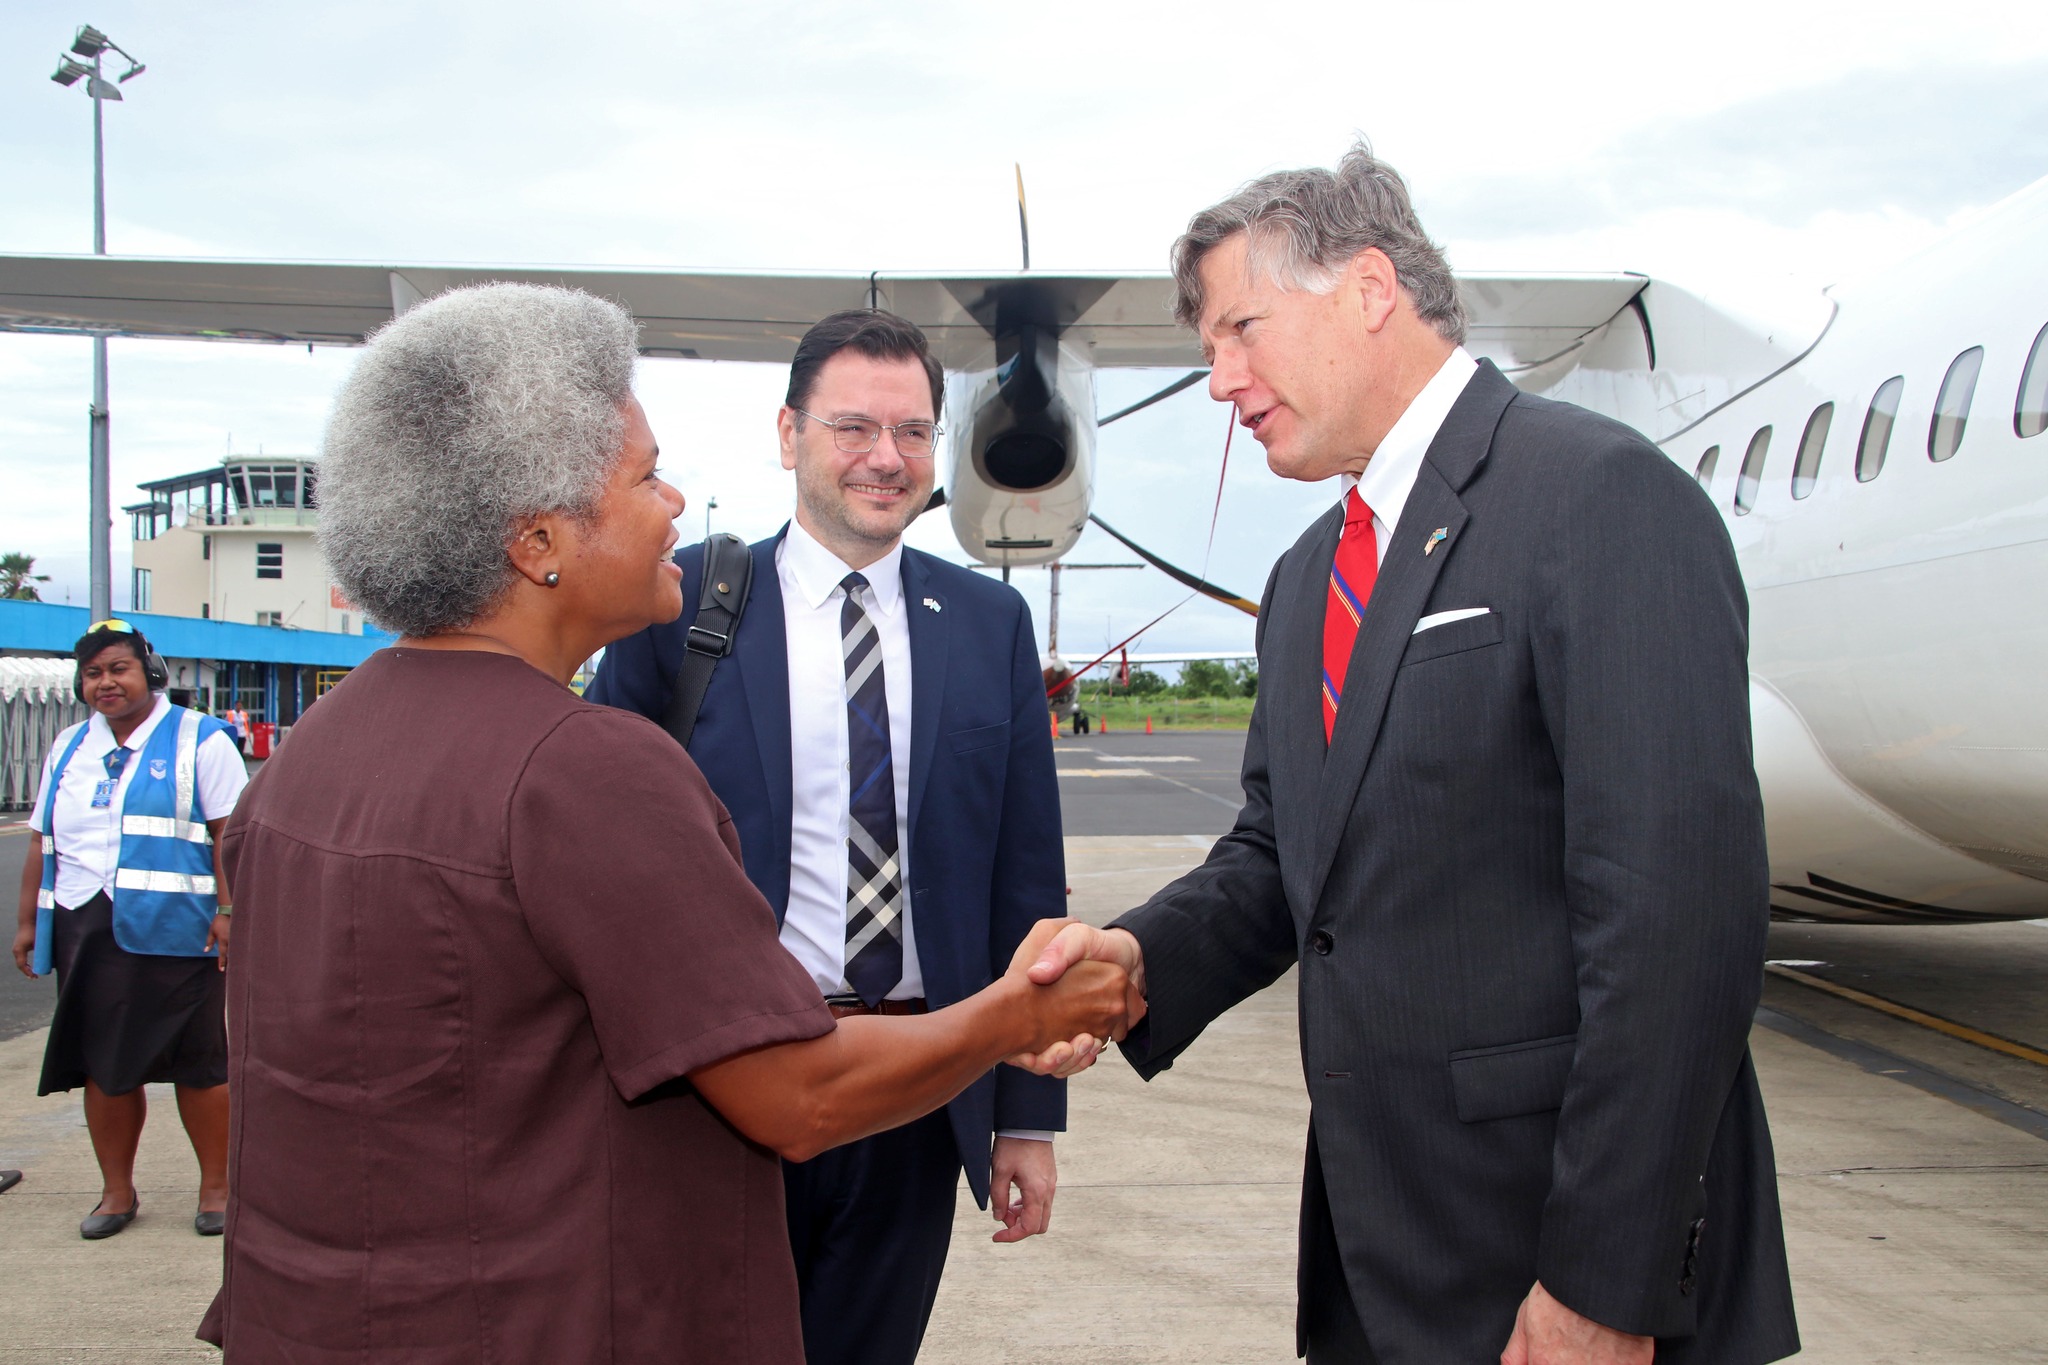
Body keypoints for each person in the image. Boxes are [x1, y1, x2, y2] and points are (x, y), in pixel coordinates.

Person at [197, 282, 1130, 1363]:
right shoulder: (580, 768)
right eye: (644, 477)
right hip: (555, 1285)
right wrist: (1017, 1017)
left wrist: (1012, 1107)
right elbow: (796, 1094)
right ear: (540, 538)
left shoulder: (313, 754)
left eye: (912, 430)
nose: (678, 505)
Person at [1022, 144, 1799, 1363]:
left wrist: (1607, 1280)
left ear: (1367, 290)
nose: (1216, 380)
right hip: (1379, 1254)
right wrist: (1129, 959)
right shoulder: (1300, 580)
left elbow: (1675, 923)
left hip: (1556, 1255)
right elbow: (1283, 856)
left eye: (1240, 330)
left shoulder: (1597, 499)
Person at [589, 308, 1068, 1365]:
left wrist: (1025, 1115)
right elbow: (603, 877)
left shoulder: (989, 628)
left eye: (912, 432)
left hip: (909, 1086)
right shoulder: (676, 614)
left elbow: (1023, 882)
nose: (885, 459)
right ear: (788, 434)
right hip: (722, 1091)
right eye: (853, 428)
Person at [10, 619, 245, 1240]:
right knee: (103, 1064)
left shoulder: (201, 740)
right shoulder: (68, 747)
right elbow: (42, 839)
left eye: (119, 668)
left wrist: (230, 912)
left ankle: (217, 1188)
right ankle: (117, 1193)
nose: (105, 683)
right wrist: (30, 921)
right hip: (86, 923)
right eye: (93, 673)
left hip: (180, 927)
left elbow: (231, 834)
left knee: (200, 1063)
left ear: (150, 672)